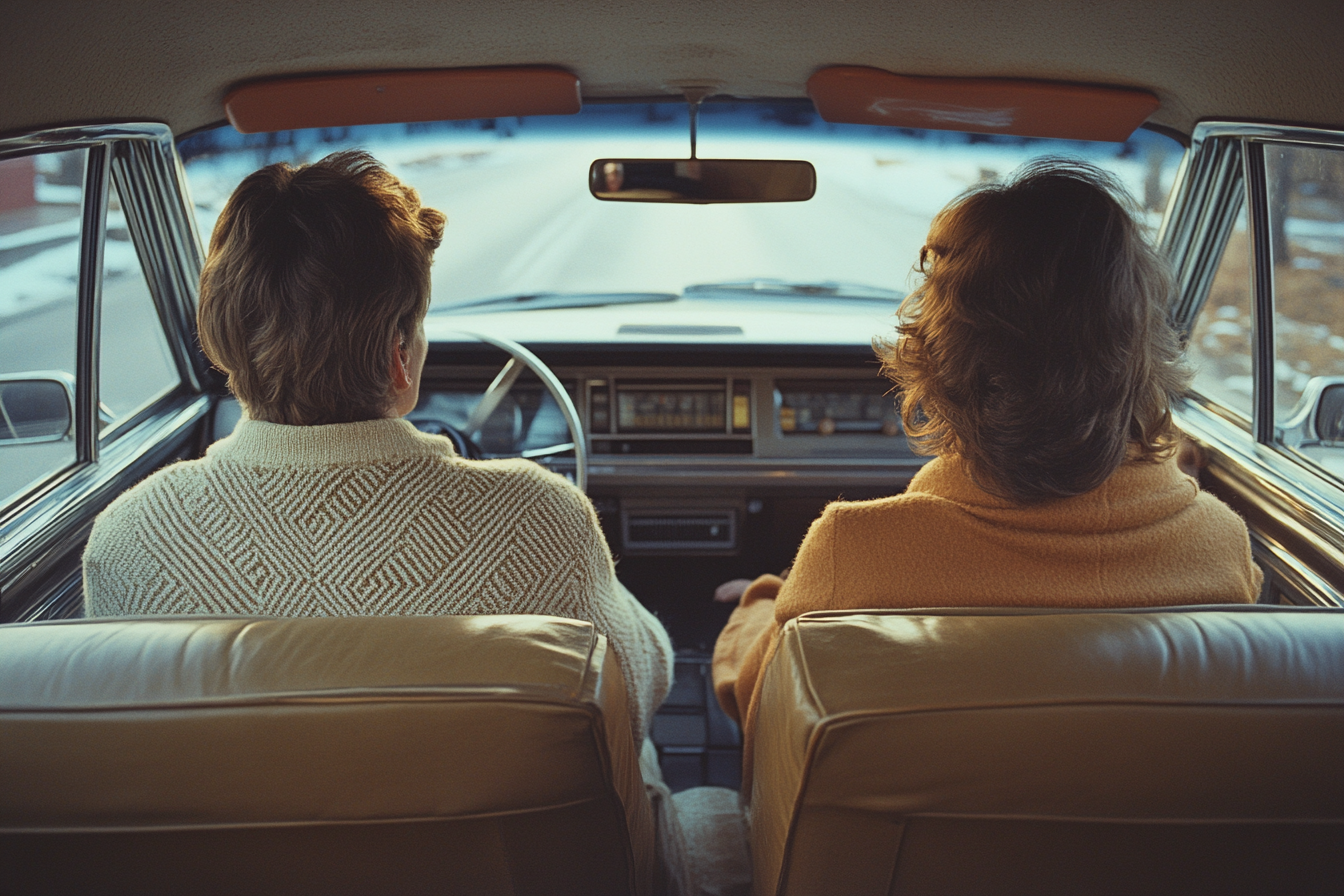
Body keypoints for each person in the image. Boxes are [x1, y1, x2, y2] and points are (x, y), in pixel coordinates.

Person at [81, 150, 674, 746]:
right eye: (419, 324)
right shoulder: (537, 518)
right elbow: (634, 693)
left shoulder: (129, 537)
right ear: (399, 352)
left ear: (224, 335)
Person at [711, 160, 1264, 790]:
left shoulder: (853, 550)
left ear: (943, 354)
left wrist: (762, 602)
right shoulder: (1220, 545)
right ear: (1140, 343)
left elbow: (757, 708)